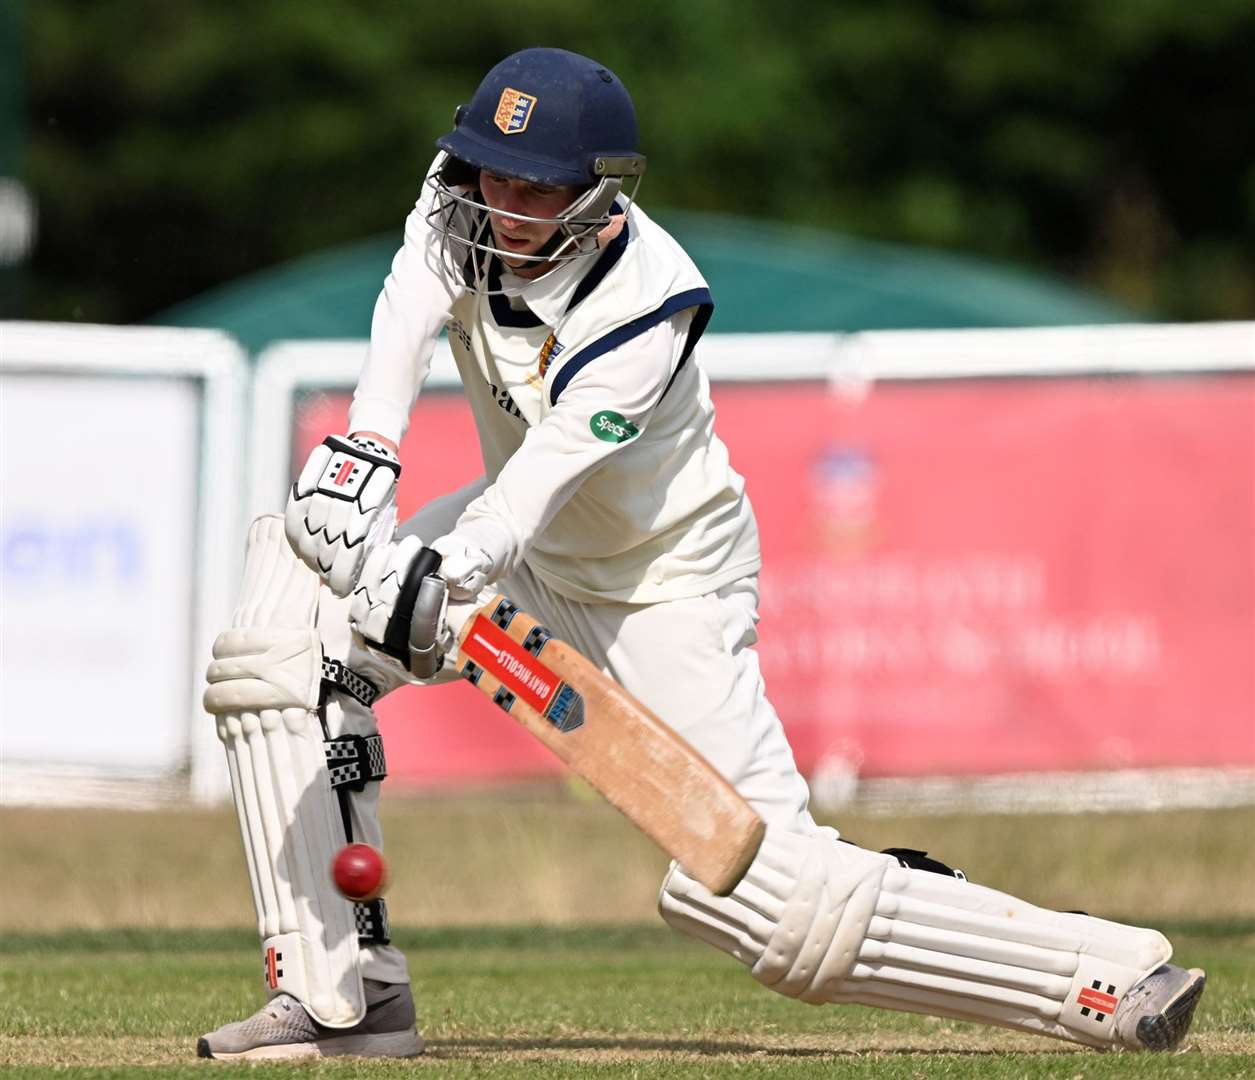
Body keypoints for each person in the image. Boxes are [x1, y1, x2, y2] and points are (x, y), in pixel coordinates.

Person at [198, 47, 1205, 1060]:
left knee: (773, 901)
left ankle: (1102, 977)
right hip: (517, 551)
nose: (504, 208)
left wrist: (441, 575)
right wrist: (368, 444)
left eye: (536, 190)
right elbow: (410, 305)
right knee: (282, 637)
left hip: (659, 583)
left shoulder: (648, 304)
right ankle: (343, 994)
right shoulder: (458, 200)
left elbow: (540, 481)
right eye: (491, 177)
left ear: (597, 195)